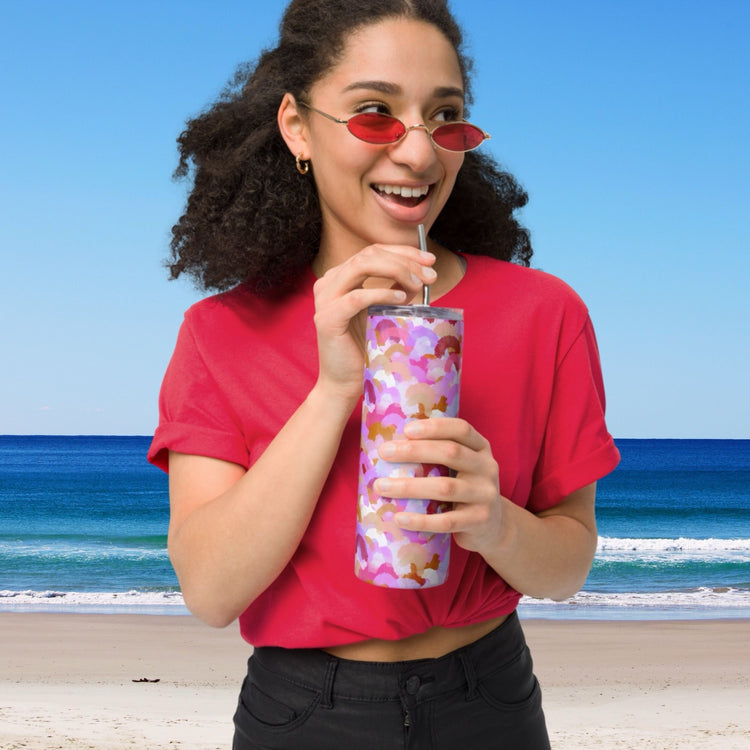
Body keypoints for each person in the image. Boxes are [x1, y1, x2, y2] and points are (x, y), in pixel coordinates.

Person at [148, 1, 620, 747]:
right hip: (303, 710)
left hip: (489, 696)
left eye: (446, 117)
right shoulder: (220, 333)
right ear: (298, 127)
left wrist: (496, 523)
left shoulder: (545, 313)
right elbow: (210, 591)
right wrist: (336, 388)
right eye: (375, 114)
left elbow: (568, 565)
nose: (420, 154)